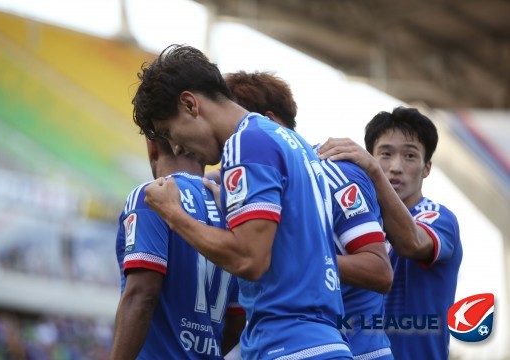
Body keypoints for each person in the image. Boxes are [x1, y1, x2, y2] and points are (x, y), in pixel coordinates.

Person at [133, 44, 353, 359]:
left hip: (288, 346)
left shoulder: (244, 142)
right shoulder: (289, 141)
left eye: (170, 132)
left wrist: (173, 213)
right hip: (320, 339)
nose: (178, 147)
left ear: (190, 104)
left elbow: (249, 260)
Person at [225, 71, 394, 360]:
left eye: (234, 127)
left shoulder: (336, 170)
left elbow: (379, 270)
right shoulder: (250, 185)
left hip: (358, 350)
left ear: (269, 122)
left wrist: (295, 257)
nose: (230, 146)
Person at [318, 107, 463, 360]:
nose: (395, 167)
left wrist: (374, 173)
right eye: (385, 154)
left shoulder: (438, 217)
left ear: (426, 167)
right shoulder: (353, 222)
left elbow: (412, 243)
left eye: (409, 156)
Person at [111, 136, 245, 359]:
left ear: (152, 146)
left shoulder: (152, 196)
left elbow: (141, 296)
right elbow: (237, 322)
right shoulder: (229, 212)